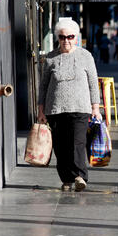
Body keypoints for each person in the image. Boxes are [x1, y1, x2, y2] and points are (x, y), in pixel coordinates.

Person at [37, 19, 102, 192]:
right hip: (55, 108)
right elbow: (43, 85)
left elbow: (93, 83)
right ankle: (66, 178)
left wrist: (96, 107)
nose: (66, 40)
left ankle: (80, 176)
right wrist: (41, 110)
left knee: (77, 143)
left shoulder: (86, 56)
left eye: (70, 37)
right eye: (63, 37)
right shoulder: (51, 57)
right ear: (58, 38)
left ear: (76, 37)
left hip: (80, 107)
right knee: (60, 145)